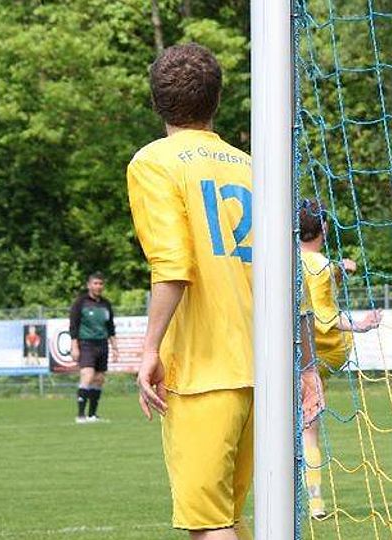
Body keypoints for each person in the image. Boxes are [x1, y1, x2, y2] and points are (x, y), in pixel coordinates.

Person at [128, 43, 253, 540]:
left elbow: (174, 267)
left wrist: (149, 349)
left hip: (205, 370)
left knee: (207, 526)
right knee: (228, 517)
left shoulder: (153, 162)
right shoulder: (250, 165)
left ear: (157, 102)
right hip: (261, 368)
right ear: (216, 99)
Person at [297, 199, 382, 519]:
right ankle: (315, 503)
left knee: (301, 425)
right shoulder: (323, 265)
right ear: (325, 228)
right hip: (325, 350)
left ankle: (313, 501)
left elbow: (317, 312)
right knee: (306, 427)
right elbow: (325, 317)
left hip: (300, 352)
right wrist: (359, 325)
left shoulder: (287, 259)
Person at [69, 272, 118, 423]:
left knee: (99, 379)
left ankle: (92, 415)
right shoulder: (80, 302)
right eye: (95, 283)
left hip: (102, 344)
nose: (98, 286)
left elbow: (110, 327)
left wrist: (115, 347)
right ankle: (80, 415)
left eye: (100, 283)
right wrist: (74, 345)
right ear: (89, 285)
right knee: (87, 376)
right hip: (86, 344)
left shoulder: (105, 304)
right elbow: (74, 325)